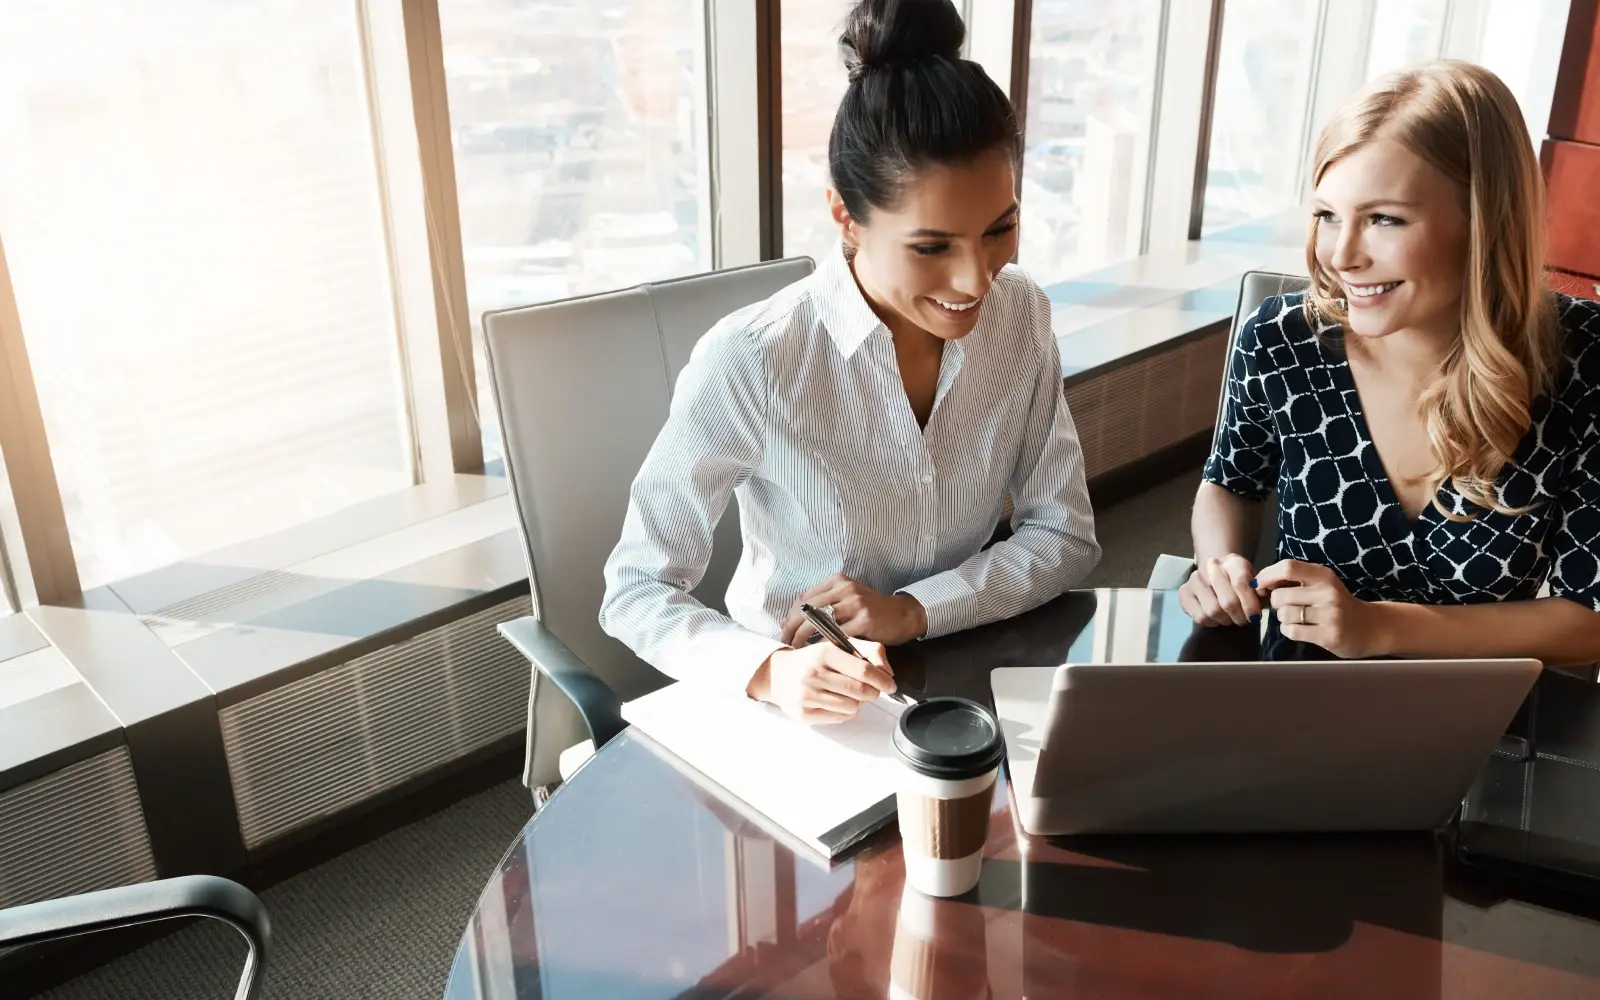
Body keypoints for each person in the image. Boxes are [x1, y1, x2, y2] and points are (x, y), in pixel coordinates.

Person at [599, 0, 1099, 722]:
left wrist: (911, 611)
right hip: (803, 699)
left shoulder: (1021, 314)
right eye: (932, 247)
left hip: (962, 667)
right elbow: (636, 590)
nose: (976, 279)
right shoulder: (754, 360)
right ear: (845, 215)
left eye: (1000, 229)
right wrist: (768, 670)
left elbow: (1066, 535)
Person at [1182, 60, 1600, 666]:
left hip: (1475, 712)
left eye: (1384, 219)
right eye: (1328, 215)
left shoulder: (1584, 358)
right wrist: (1219, 565)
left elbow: (1589, 618)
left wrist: (1380, 628)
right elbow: (1229, 483)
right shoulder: (1282, 340)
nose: (1340, 257)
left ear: (1484, 222)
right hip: (1292, 695)